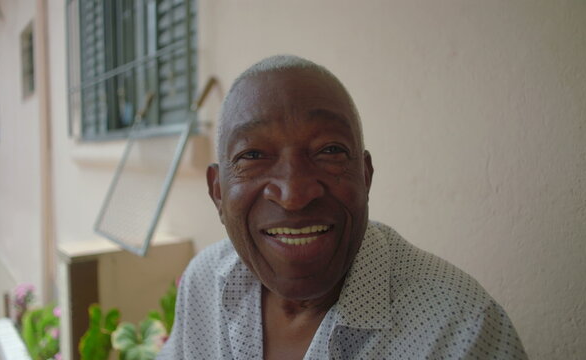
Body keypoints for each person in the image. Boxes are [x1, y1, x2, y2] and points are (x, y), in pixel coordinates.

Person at [157, 55, 527, 359]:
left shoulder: (460, 330)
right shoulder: (205, 283)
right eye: (252, 155)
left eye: (329, 151)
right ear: (218, 191)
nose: (293, 193)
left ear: (364, 176)